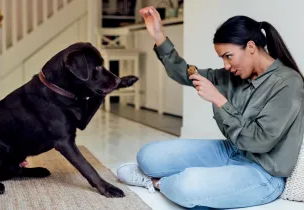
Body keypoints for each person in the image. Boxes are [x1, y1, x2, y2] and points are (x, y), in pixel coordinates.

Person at [116, 6, 304, 209]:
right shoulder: (233, 75)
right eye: (222, 58)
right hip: (232, 150)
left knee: (187, 185)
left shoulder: (288, 83)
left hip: (264, 173)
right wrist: (159, 36)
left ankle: (158, 183)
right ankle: (191, 180)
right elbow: (185, 73)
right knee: (148, 156)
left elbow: (261, 142)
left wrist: (219, 100)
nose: (225, 66)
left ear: (251, 47)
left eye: (228, 56)